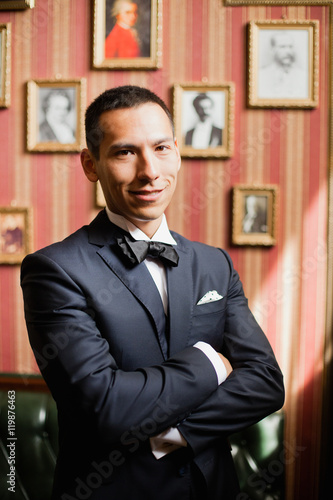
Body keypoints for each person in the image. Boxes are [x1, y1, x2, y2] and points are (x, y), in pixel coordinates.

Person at [21, 85, 284, 500]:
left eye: (161, 148)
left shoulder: (215, 263)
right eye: (125, 152)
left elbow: (266, 382)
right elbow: (105, 407)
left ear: (177, 152)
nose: (149, 171)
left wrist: (178, 434)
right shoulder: (54, 270)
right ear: (91, 164)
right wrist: (210, 365)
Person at [258, 31, 308, 99]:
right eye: (282, 47)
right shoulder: (260, 76)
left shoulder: (304, 75)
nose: (288, 51)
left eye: (290, 47)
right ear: (272, 50)